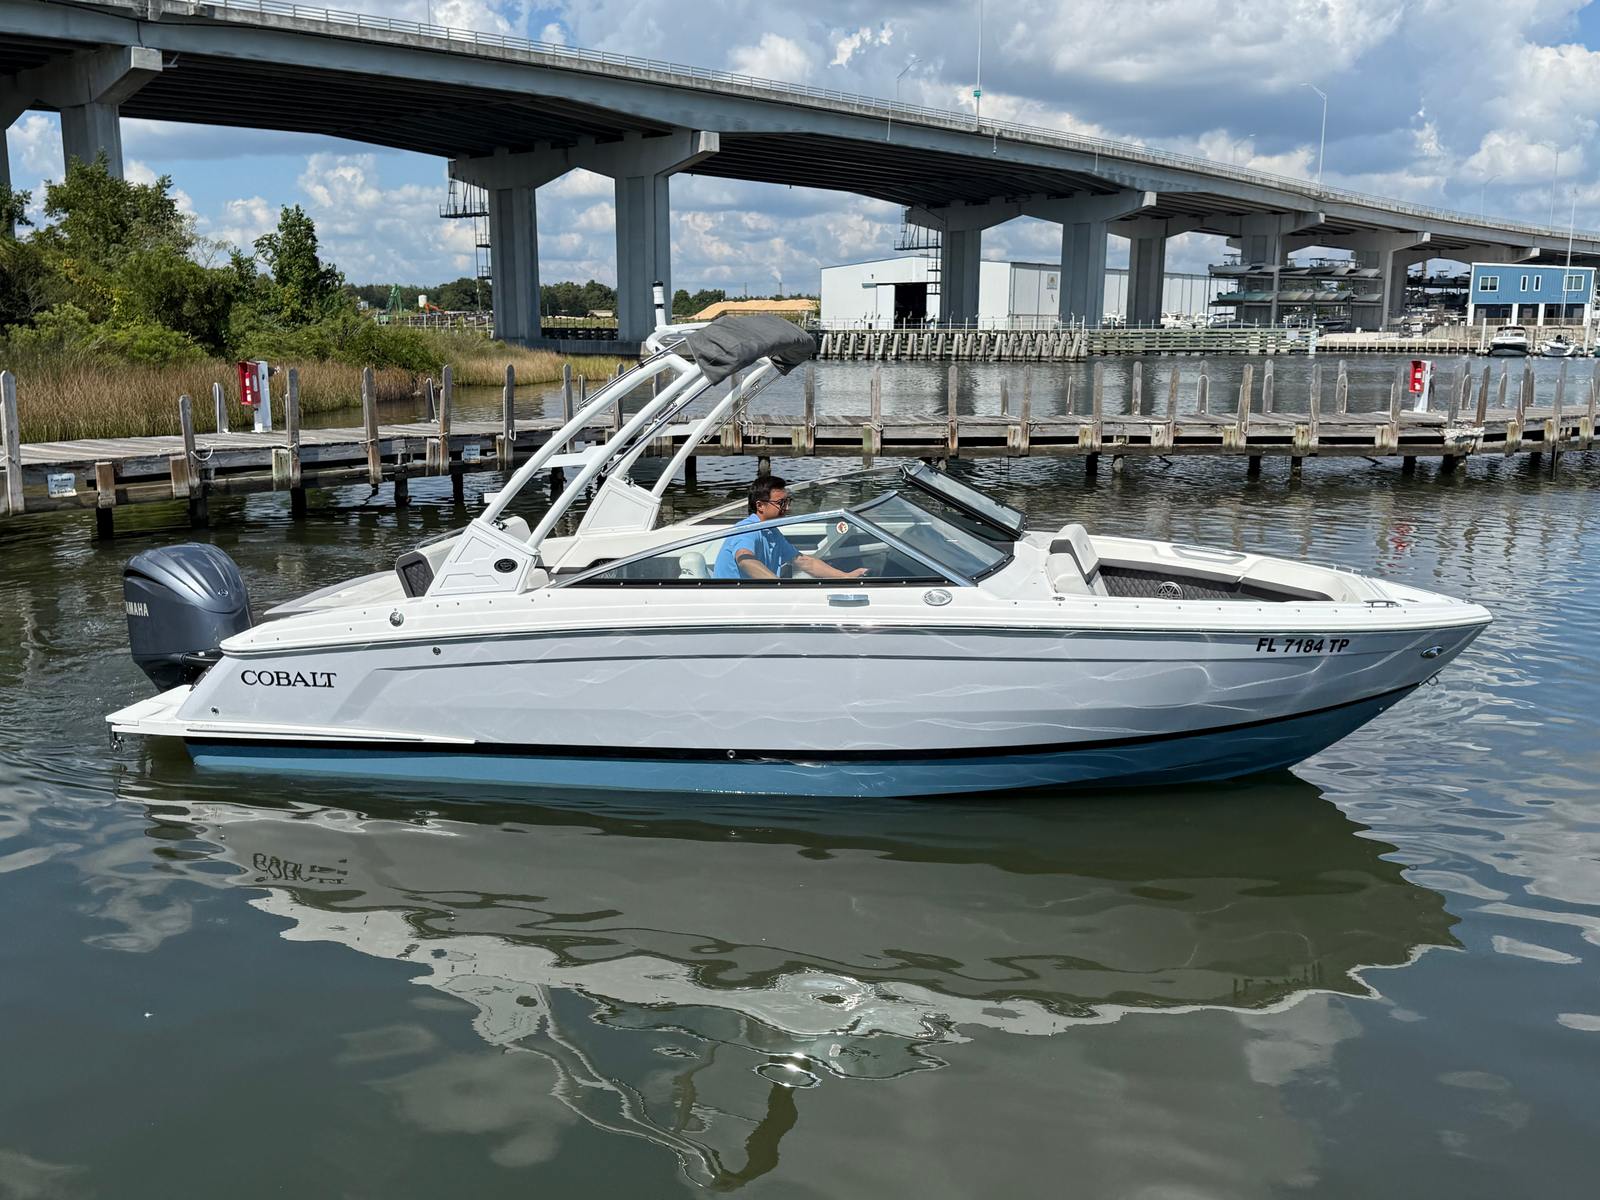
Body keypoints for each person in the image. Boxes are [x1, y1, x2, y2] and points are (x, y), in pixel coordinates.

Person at [712, 476, 868, 580]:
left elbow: (804, 562)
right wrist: (778, 586)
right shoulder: (747, 530)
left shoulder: (771, 531)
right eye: (781, 503)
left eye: (787, 502)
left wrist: (845, 576)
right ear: (760, 506)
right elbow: (745, 560)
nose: (787, 508)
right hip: (733, 600)